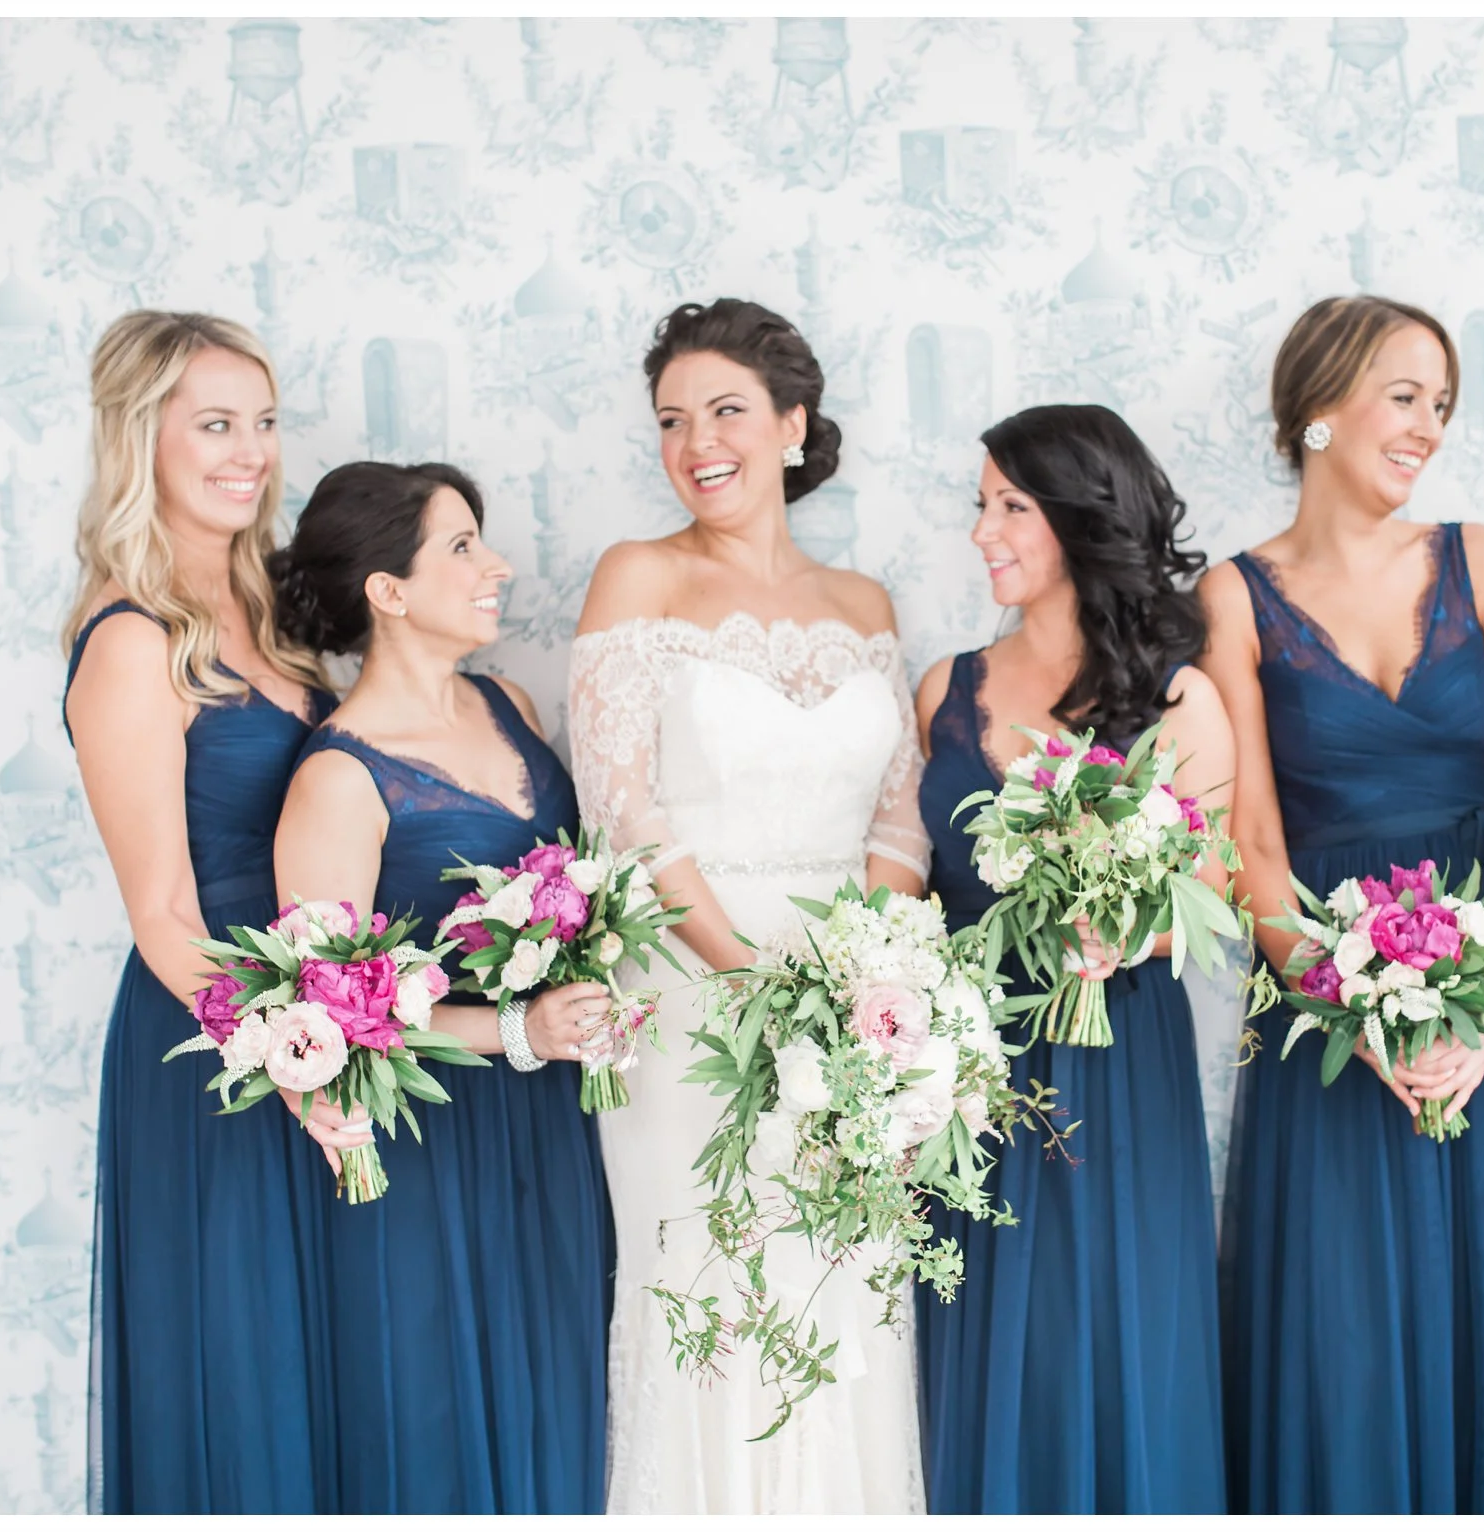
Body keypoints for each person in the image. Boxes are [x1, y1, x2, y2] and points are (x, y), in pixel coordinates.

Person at [1198, 294, 1484, 1513]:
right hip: (1325, 1007)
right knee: (1346, 1329)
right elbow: (1250, 839)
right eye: (1404, 396)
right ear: (1318, 405)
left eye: (1442, 404)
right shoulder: (1232, 595)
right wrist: (1348, 1008)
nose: (1429, 427)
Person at [569, 298, 930, 1513]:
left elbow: (899, 819)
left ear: (792, 424)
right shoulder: (639, 575)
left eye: (725, 410)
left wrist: (867, 987)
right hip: (688, 996)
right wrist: (742, 971)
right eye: (671, 420)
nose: (695, 443)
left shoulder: (865, 603)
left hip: (847, 1003)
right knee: (710, 1289)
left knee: (843, 1278)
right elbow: (620, 805)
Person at [269, 460, 613, 1513]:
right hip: (430, 1144)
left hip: (553, 1123)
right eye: (462, 546)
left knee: (565, 1395)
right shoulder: (338, 778)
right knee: (443, 1417)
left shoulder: (507, 704)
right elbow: (329, 1021)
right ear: (388, 589)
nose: (496, 566)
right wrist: (519, 1027)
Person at [913, 403, 1231, 1513]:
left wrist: (1128, 931)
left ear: (1081, 517)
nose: (982, 532)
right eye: (980, 505)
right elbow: (903, 879)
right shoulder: (944, 687)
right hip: (965, 1058)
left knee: (1109, 1331)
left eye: (1011, 506)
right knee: (983, 1341)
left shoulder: (1178, 697)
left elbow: (1215, 888)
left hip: (1112, 1055)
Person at [61, 310, 341, 1513]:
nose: (252, 452)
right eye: (217, 424)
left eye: (263, 422)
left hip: (324, 1028)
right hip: (214, 1038)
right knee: (241, 1368)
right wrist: (288, 1055)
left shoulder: (269, 600)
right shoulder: (131, 636)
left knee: (328, 1361)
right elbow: (163, 905)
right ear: (143, 439)